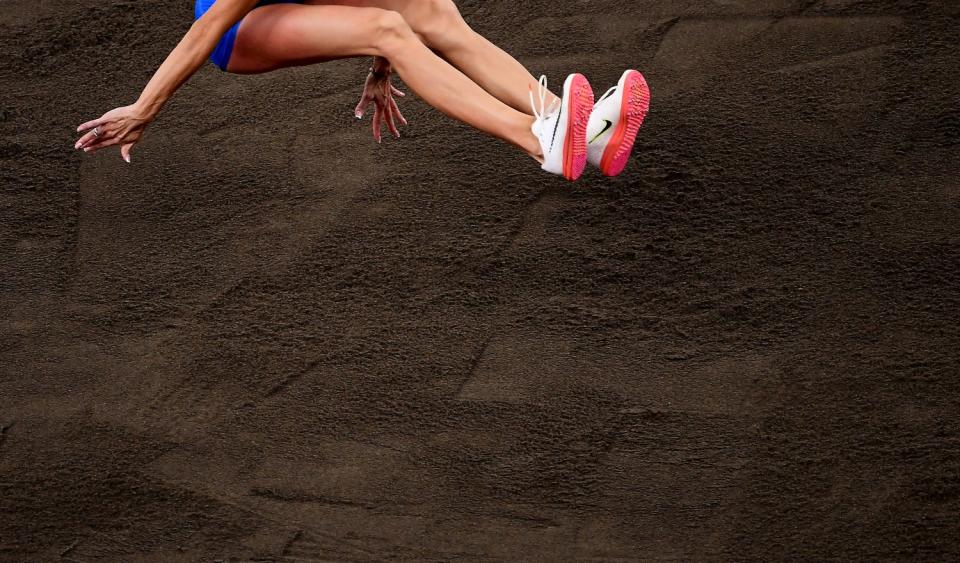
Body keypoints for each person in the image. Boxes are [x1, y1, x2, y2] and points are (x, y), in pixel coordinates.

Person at [74, 0, 649, 180]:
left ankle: (577, 130)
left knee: (435, 14)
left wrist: (382, 67)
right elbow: (206, 29)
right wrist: (146, 108)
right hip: (235, 32)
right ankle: (537, 141)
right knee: (389, 29)